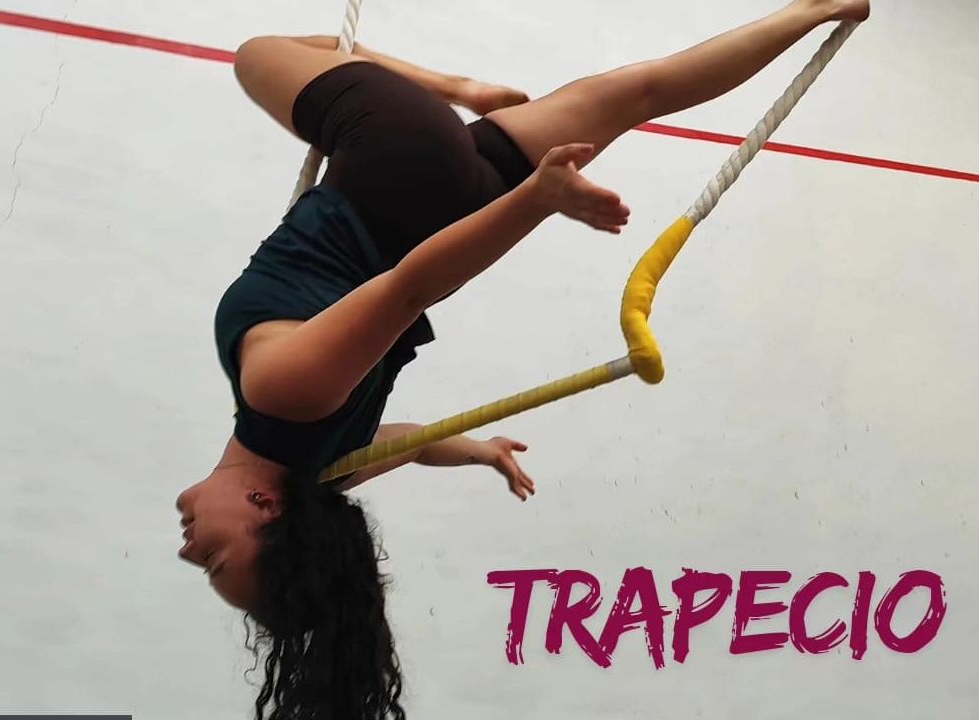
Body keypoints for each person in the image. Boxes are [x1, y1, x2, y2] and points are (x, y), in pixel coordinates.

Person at [174, 2, 870, 718]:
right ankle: (458, 86)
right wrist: (537, 199)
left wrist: (480, 452)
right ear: (265, 506)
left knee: (643, 92)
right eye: (214, 560)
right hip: (393, 156)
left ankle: (818, 9)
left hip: (448, 196)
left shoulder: (327, 469)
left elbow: (413, 445)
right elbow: (411, 286)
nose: (188, 552)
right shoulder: (280, 394)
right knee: (255, 53)